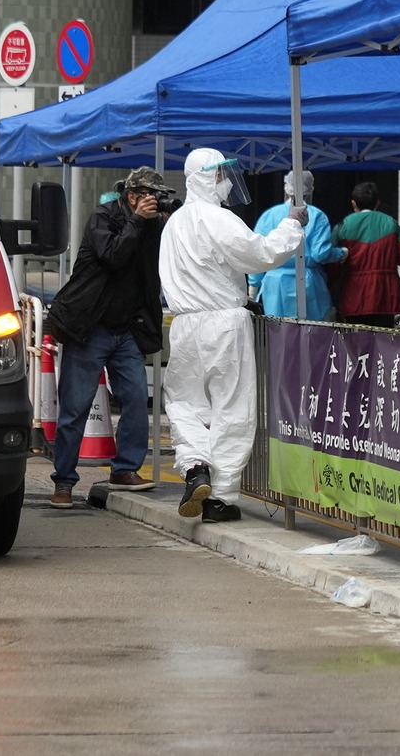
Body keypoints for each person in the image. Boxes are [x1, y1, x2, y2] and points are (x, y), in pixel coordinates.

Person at [159, 147, 306, 522]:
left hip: (184, 325)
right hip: (224, 323)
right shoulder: (219, 219)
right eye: (221, 175)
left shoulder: (173, 224)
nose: (226, 182)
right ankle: (220, 498)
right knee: (232, 408)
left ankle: (195, 466)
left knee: (183, 403)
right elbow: (260, 254)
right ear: (210, 178)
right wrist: (291, 225)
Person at [42, 167, 171, 507]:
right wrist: (138, 222)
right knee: (75, 407)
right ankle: (64, 481)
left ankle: (125, 469)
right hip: (89, 327)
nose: (156, 202)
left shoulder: (152, 226)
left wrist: (160, 223)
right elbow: (113, 256)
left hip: (127, 328)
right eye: (152, 196)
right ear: (133, 196)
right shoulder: (104, 217)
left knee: (136, 399)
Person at [249, 170, 345, 321]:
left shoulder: (270, 215)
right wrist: (341, 253)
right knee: (311, 332)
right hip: (308, 284)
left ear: (286, 188)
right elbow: (320, 254)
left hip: (275, 286)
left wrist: (253, 287)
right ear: (310, 190)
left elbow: (257, 253)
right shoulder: (316, 215)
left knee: (278, 332)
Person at [333, 181, 400, 326]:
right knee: (383, 337)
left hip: (354, 294)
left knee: (355, 338)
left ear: (353, 203)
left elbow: (331, 258)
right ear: (377, 203)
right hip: (385, 294)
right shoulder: (391, 223)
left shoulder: (343, 226)